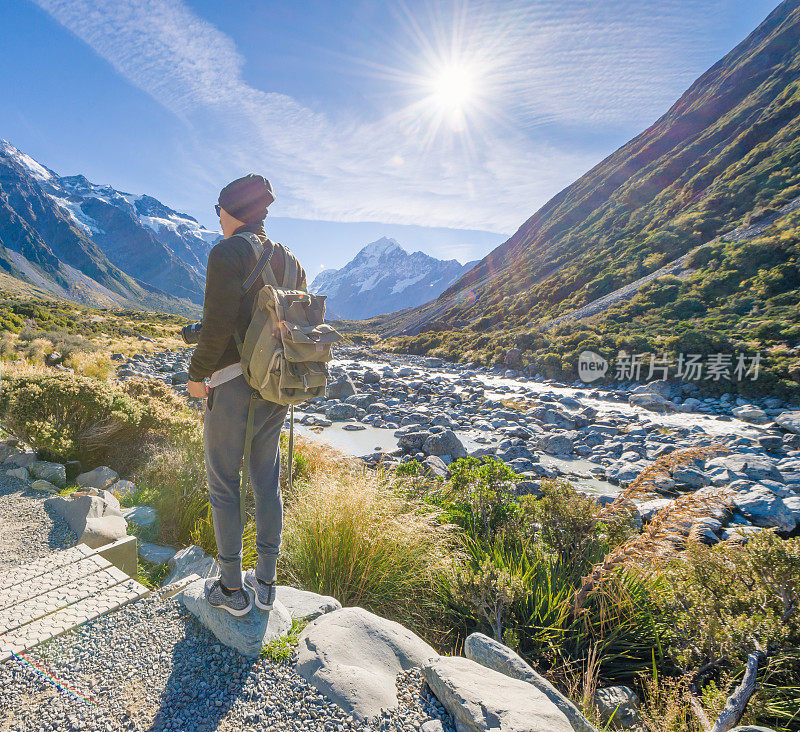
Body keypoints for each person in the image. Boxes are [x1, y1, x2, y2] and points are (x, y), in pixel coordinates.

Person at [187, 174, 307, 617]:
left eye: (218, 208)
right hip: (276, 384)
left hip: (232, 383)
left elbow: (219, 327)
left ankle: (231, 589)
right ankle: (267, 584)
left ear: (231, 210)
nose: (217, 217)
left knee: (223, 480)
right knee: (265, 478)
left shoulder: (227, 251)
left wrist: (197, 375)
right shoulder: (290, 258)